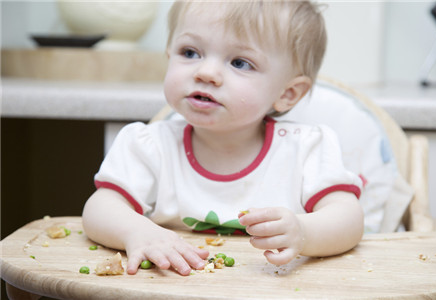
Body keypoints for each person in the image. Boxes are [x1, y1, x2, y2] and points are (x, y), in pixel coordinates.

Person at [82, 0, 364, 277]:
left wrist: (304, 233)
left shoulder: (306, 149)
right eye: (190, 52)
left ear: (287, 93)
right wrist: (137, 232)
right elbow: (99, 208)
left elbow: (349, 219)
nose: (205, 72)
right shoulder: (148, 145)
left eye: (240, 62)